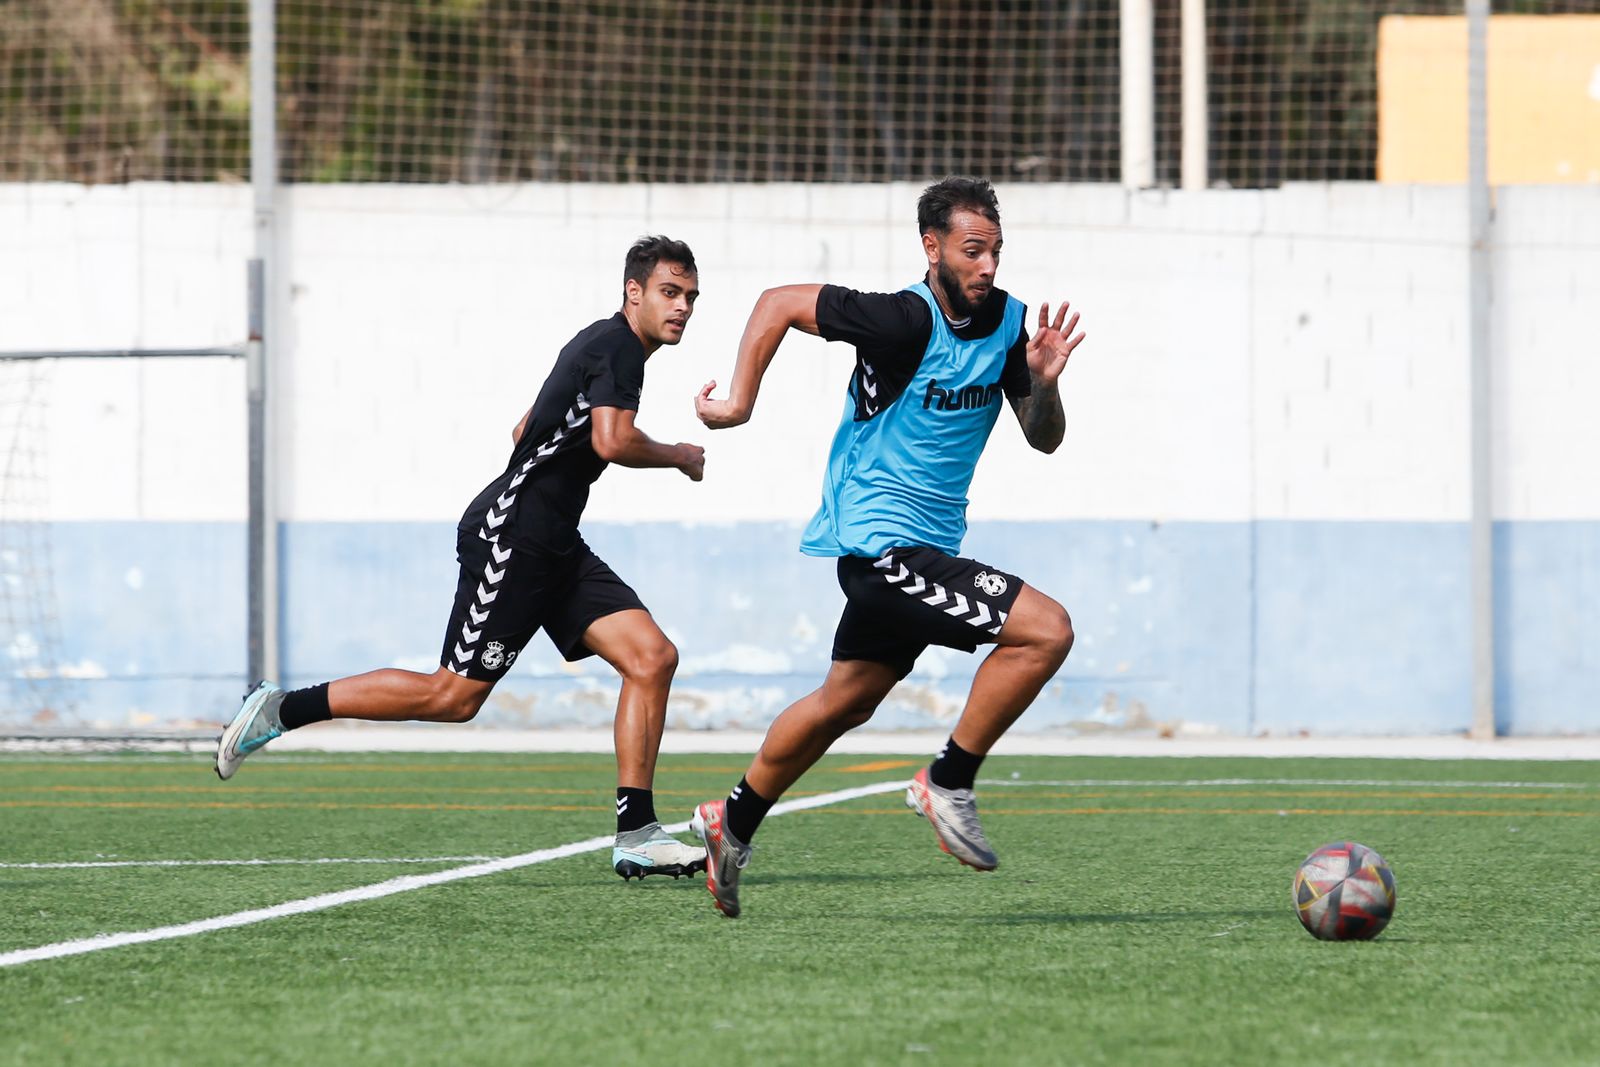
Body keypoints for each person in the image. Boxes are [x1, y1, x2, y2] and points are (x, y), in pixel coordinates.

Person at [215, 235, 710, 882]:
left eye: (691, 298)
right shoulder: (617, 346)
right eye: (670, 293)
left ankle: (638, 830)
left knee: (652, 657)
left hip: (555, 540)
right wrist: (679, 453)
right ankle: (280, 709)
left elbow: (524, 428)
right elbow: (611, 440)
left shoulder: (600, 345)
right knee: (453, 695)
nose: (682, 308)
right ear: (634, 291)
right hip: (516, 536)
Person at [686, 177, 1084, 917]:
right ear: (932, 248)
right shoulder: (901, 319)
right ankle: (950, 779)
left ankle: (731, 821)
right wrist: (738, 401)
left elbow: (1043, 438)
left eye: (995, 250)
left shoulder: (1011, 326)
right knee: (1046, 629)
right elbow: (778, 302)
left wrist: (1043, 382)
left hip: (921, 552)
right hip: (880, 544)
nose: (988, 265)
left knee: (846, 700)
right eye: (973, 250)